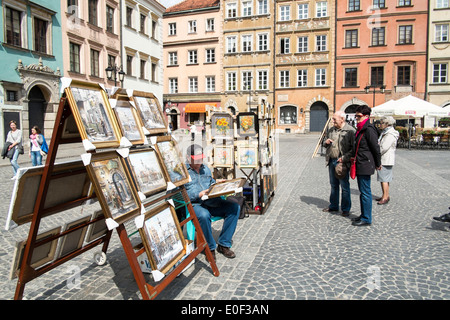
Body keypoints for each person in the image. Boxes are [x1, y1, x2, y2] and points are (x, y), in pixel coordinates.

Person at [184, 144, 240, 260]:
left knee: (234, 207)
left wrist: (220, 185)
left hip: (211, 201)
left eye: (201, 159)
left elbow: (211, 183)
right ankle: (210, 248)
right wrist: (198, 194)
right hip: (195, 204)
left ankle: (224, 244)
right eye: (196, 160)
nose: (199, 162)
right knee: (204, 215)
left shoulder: (205, 168)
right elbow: (179, 193)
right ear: (188, 157)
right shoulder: (182, 172)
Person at [351, 105, 381, 226]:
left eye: (358, 116)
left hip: (365, 163)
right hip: (360, 162)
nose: (356, 118)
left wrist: (378, 164)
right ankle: (364, 214)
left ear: (366, 116)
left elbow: (375, 147)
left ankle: (367, 218)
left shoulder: (369, 129)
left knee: (365, 192)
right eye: (356, 116)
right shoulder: (360, 128)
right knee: (362, 191)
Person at [322, 110, 355, 216]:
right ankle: (334, 206)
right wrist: (325, 143)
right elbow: (325, 141)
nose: (333, 121)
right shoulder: (331, 130)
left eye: (335, 119)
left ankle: (345, 209)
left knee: (344, 186)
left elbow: (354, 149)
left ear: (342, 119)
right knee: (333, 185)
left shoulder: (350, 131)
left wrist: (344, 158)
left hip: (342, 162)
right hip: (332, 160)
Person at [376, 116, 399, 205]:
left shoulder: (390, 134)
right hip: (384, 158)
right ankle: (385, 195)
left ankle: (385, 197)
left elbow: (384, 147)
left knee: (384, 178)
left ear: (387, 124)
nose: (380, 125)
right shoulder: (386, 133)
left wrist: (376, 154)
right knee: (384, 178)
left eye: (382, 123)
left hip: (386, 159)